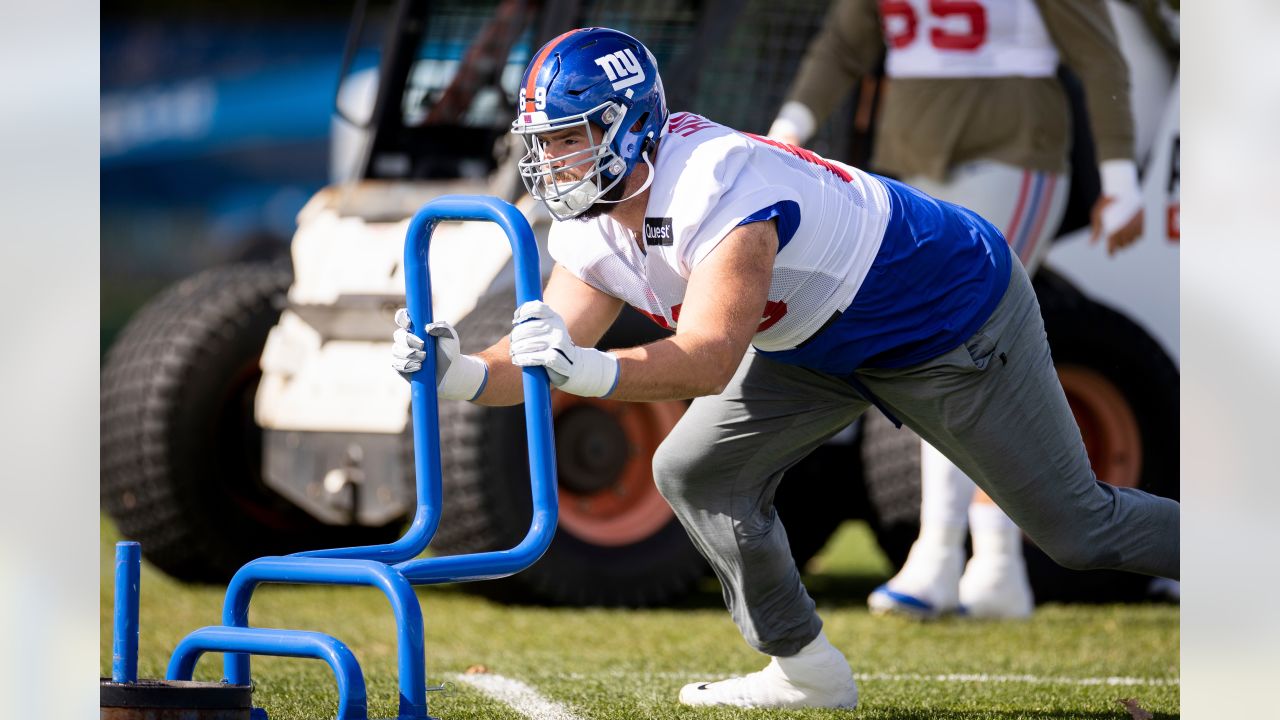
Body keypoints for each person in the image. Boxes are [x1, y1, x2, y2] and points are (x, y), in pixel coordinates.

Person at [391, 27, 1178, 709]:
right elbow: (533, 359)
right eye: (545, 142)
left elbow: (706, 359)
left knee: (1078, 530)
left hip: (945, 312)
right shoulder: (593, 228)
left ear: (628, 127)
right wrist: (454, 369)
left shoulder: (717, 186)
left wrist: (590, 371)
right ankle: (805, 669)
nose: (552, 160)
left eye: (569, 137)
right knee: (696, 471)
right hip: (815, 339)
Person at [767, 0, 1146, 619]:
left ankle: (940, 552)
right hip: (910, 161)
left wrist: (1120, 177)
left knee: (950, 338)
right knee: (946, 352)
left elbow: (1098, 54)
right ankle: (995, 562)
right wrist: (787, 132)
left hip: (1015, 151)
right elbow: (844, 45)